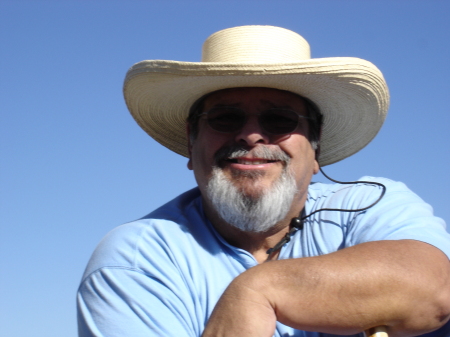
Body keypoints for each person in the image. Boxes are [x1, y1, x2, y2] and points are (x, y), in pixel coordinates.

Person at [77, 25, 450, 337]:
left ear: (315, 147)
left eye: (279, 120)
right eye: (224, 118)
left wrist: (258, 289)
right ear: (192, 143)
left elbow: (436, 289)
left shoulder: (369, 206)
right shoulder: (137, 261)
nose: (252, 136)